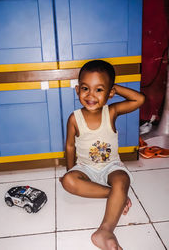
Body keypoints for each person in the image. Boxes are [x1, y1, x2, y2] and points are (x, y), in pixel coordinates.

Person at [60, 60, 145, 250]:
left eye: (99, 90)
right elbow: (70, 145)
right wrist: (71, 170)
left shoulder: (112, 112)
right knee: (67, 181)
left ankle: (105, 231)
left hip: (111, 166)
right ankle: (115, 195)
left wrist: (114, 88)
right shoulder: (75, 118)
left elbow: (139, 100)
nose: (91, 95)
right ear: (77, 90)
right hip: (85, 168)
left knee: (122, 179)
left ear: (110, 93)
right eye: (85, 88)